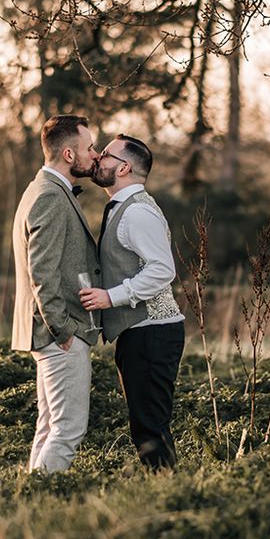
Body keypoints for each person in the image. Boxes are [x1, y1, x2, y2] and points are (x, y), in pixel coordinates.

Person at [79, 134, 185, 470]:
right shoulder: (123, 208)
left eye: (106, 154)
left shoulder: (137, 213)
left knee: (150, 428)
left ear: (124, 167)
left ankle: (171, 495)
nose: (98, 158)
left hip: (152, 333)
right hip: (140, 333)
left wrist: (111, 297)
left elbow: (162, 270)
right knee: (146, 425)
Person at [11, 115, 101, 472]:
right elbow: (42, 272)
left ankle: (31, 500)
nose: (94, 155)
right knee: (67, 430)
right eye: (89, 147)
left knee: (49, 427)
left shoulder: (43, 189)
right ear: (68, 153)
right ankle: (39, 502)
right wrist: (63, 329)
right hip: (58, 332)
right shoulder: (49, 196)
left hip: (50, 332)